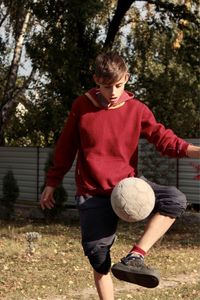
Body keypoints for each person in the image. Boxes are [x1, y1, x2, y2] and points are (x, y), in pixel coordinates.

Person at [40, 52, 200, 300]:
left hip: (128, 188)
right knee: (99, 259)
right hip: (93, 192)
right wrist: (52, 182)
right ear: (96, 80)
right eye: (106, 86)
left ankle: (136, 255)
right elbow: (66, 147)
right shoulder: (82, 107)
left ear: (126, 78)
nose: (113, 92)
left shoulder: (137, 109)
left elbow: (163, 139)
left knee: (174, 200)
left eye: (118, 85)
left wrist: (196, 152)